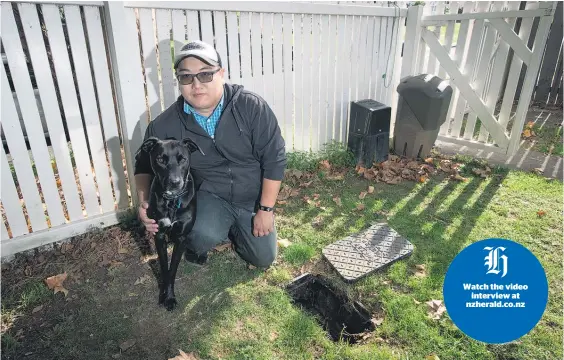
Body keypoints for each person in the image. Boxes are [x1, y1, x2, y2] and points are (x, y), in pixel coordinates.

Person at [134, 40, 287, 269]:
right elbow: (143, 165)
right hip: (209, 197)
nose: (196, 84)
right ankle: (209, 234)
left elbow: (275, 158)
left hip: (252, 198)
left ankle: (237, 231)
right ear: (179, 82)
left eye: (205, 75)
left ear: (221, 74)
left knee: (263, 258)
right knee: (197, 235)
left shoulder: (251, 107)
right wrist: (144, 202)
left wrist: (266, 209)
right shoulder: (164, 125)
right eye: (186, 77)